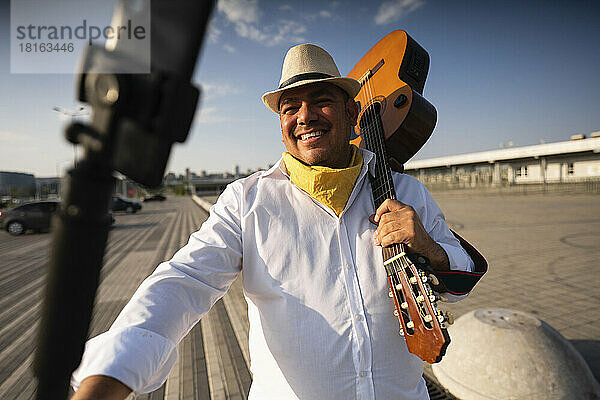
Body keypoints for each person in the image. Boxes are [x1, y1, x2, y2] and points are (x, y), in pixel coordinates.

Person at [71, 43, 483, 400]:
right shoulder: (247, 201)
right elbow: (183, 283)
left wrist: (429, 249)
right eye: (291, 107)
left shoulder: (405, 194)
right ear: (281, 124)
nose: (306, 116)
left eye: (321, 100)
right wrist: (109, 377)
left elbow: (460, 282)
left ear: (353, 111)